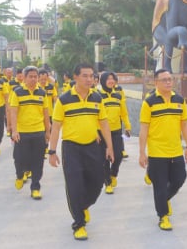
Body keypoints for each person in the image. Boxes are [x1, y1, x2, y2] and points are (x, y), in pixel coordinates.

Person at [48, 63, 114, 241]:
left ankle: (83, 205)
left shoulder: (97, 98)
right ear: (75, 77)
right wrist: (52, 151)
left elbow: (104, 124)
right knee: (75, 185)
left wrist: (110, 146)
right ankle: (79, 224)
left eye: (92, 76)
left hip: (92, 146)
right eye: (85, 76)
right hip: (72, 148)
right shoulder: (64, 99)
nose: (89, 79)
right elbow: (56, 128)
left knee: (98, 182)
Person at [139, 69, 187, 231]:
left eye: (170, 79)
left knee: (180, 178)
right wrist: (142, 152)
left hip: (175, 150)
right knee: (160, 186)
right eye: (164, 80)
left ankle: (163, 199)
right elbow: (144, 129)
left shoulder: (179, 100)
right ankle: (163, 216)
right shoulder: (149, 102)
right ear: (156, 82)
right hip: (157, 152)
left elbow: (184, 124)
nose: (169, 82)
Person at [9, 66, 50, 200]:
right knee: (19, 158)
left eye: (35, 77)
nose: (33, 79)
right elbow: (13, 112)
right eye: (30, 77)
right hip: (22, 132)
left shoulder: (42, 93)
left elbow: (46, 114)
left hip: (38, 132)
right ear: (24, 78)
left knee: (38, 161)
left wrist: (47, 131)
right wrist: (14, 130)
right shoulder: (18, 92)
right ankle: (20, 175)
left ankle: (35, 187)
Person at [98, 71, 132, 194]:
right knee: (105, 158)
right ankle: (107, 183)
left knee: (118, 155)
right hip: (102, 132)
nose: (111, 81)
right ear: (103, 81)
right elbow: (94, 115)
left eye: (113, 79)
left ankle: (113, 174)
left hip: (116, 131)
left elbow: (124, 113)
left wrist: (127, 126)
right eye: (108, 79)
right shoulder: (97, 96)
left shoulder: (118, 95)